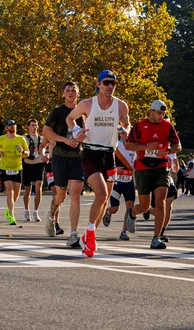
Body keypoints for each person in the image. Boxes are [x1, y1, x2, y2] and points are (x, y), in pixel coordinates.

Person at [65, 70, 131, 257]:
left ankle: (88, 233)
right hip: (90, 153)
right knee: (101, 194)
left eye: (113, 83)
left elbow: (126, 123)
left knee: (104, 199)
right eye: (107, 83)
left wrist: (124, 130)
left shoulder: (120, 106)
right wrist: (77, 129)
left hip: (109, 155)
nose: (110, 86)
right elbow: (69, 118)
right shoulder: (87, 103)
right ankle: (91, 232)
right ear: (99, 84)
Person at [123, 99, 181, 249]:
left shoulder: (168, 126)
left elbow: (178, 146)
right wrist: (146, 146)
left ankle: (156, 237)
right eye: (159, 113)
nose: (161, 116)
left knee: (161, 202)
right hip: (143, 167)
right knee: (144, 205)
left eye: (163, 113)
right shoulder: (140, 126)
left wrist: (167, 152)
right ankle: (132, 213)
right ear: (151, 112)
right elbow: (128, 144)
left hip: (162, 167)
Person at [43, 81, 85, 244]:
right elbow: (46, 132)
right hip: (60, 158)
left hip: (77, 158)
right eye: (67, 90)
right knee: (60, 197)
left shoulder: (83, 113)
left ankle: (73, 234)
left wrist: (83, 137)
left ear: (78, 94)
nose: (70, 93)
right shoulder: (57, 112)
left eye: (73, 90)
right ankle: (51, 216)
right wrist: (65, 140)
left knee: (75, 194)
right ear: (63, 94)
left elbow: (88, 132)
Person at [104, 127, 135, 240]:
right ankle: (109, 211)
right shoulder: (116, 146)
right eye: (122, 134)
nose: (124, 136)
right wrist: (116, 170)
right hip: (117, 182)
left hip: (128, 181)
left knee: (130, 205)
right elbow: (107, 163)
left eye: (126, 134)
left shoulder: (134, 148)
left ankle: (124, 231)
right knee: (115, 208)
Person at [0, 120, 26, 226]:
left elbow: (27, 153)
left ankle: (9, 209)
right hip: (5, 167)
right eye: (9, 126)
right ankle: (12, 216)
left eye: (13, 125)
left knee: (16, 193)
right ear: (6, 128)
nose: (11, 127)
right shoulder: (1, 138)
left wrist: (22, 151)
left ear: (16, 127)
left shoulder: (21, 139)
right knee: (10, 190)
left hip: (17, 167)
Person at [22, 119, 45, 221]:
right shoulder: (25, 138)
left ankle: (36, 211)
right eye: (32, 125)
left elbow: (44, 149)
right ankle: (27, 210)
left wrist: (45, 156)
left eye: (36, 125)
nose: (34, 127)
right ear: (28, 127)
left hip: (38, 164)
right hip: (28, 164)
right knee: (28, 189)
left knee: (39, 189)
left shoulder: (41, 138)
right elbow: (21, 151)